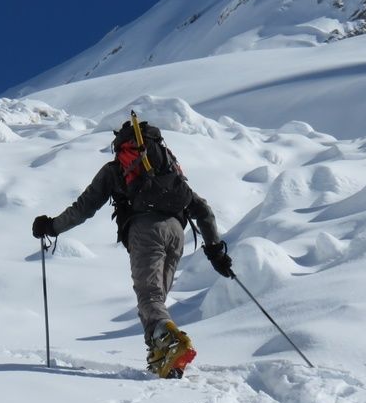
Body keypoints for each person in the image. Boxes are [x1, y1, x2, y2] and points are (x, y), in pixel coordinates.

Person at [32, 116, 233, 378]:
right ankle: (162, 357)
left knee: (148, 296)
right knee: (155, 299)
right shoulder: (171, 172)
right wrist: (215, 251)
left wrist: (52, 227)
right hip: (176, 233)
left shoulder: (116, 170)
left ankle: (173, 344)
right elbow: (203, 210)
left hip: (145, 231)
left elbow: (84, 207)